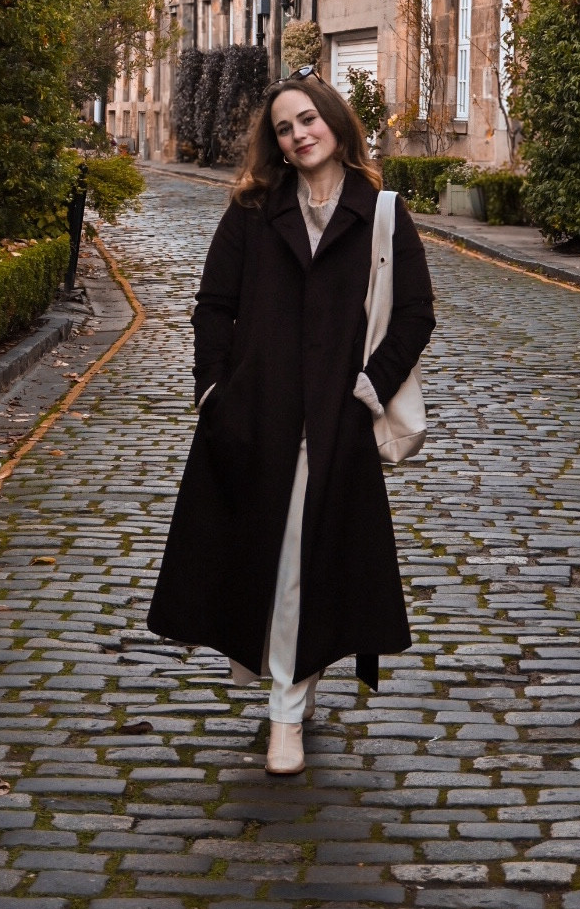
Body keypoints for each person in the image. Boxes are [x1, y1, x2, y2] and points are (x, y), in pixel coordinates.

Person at [147, 67, 435, 774]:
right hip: (257, 417)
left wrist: (373, 385)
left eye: (308, 118)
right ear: (274, 144)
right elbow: (212, 306)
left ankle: (286, 712)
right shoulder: (252, 211)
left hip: (338, 420)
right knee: (272, 560)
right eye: (284, 127)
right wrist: (212, 392)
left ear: (334, 121)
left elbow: (415, 314)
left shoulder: (382, 212)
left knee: (308, 562)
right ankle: (288, 689)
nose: (299, 133)